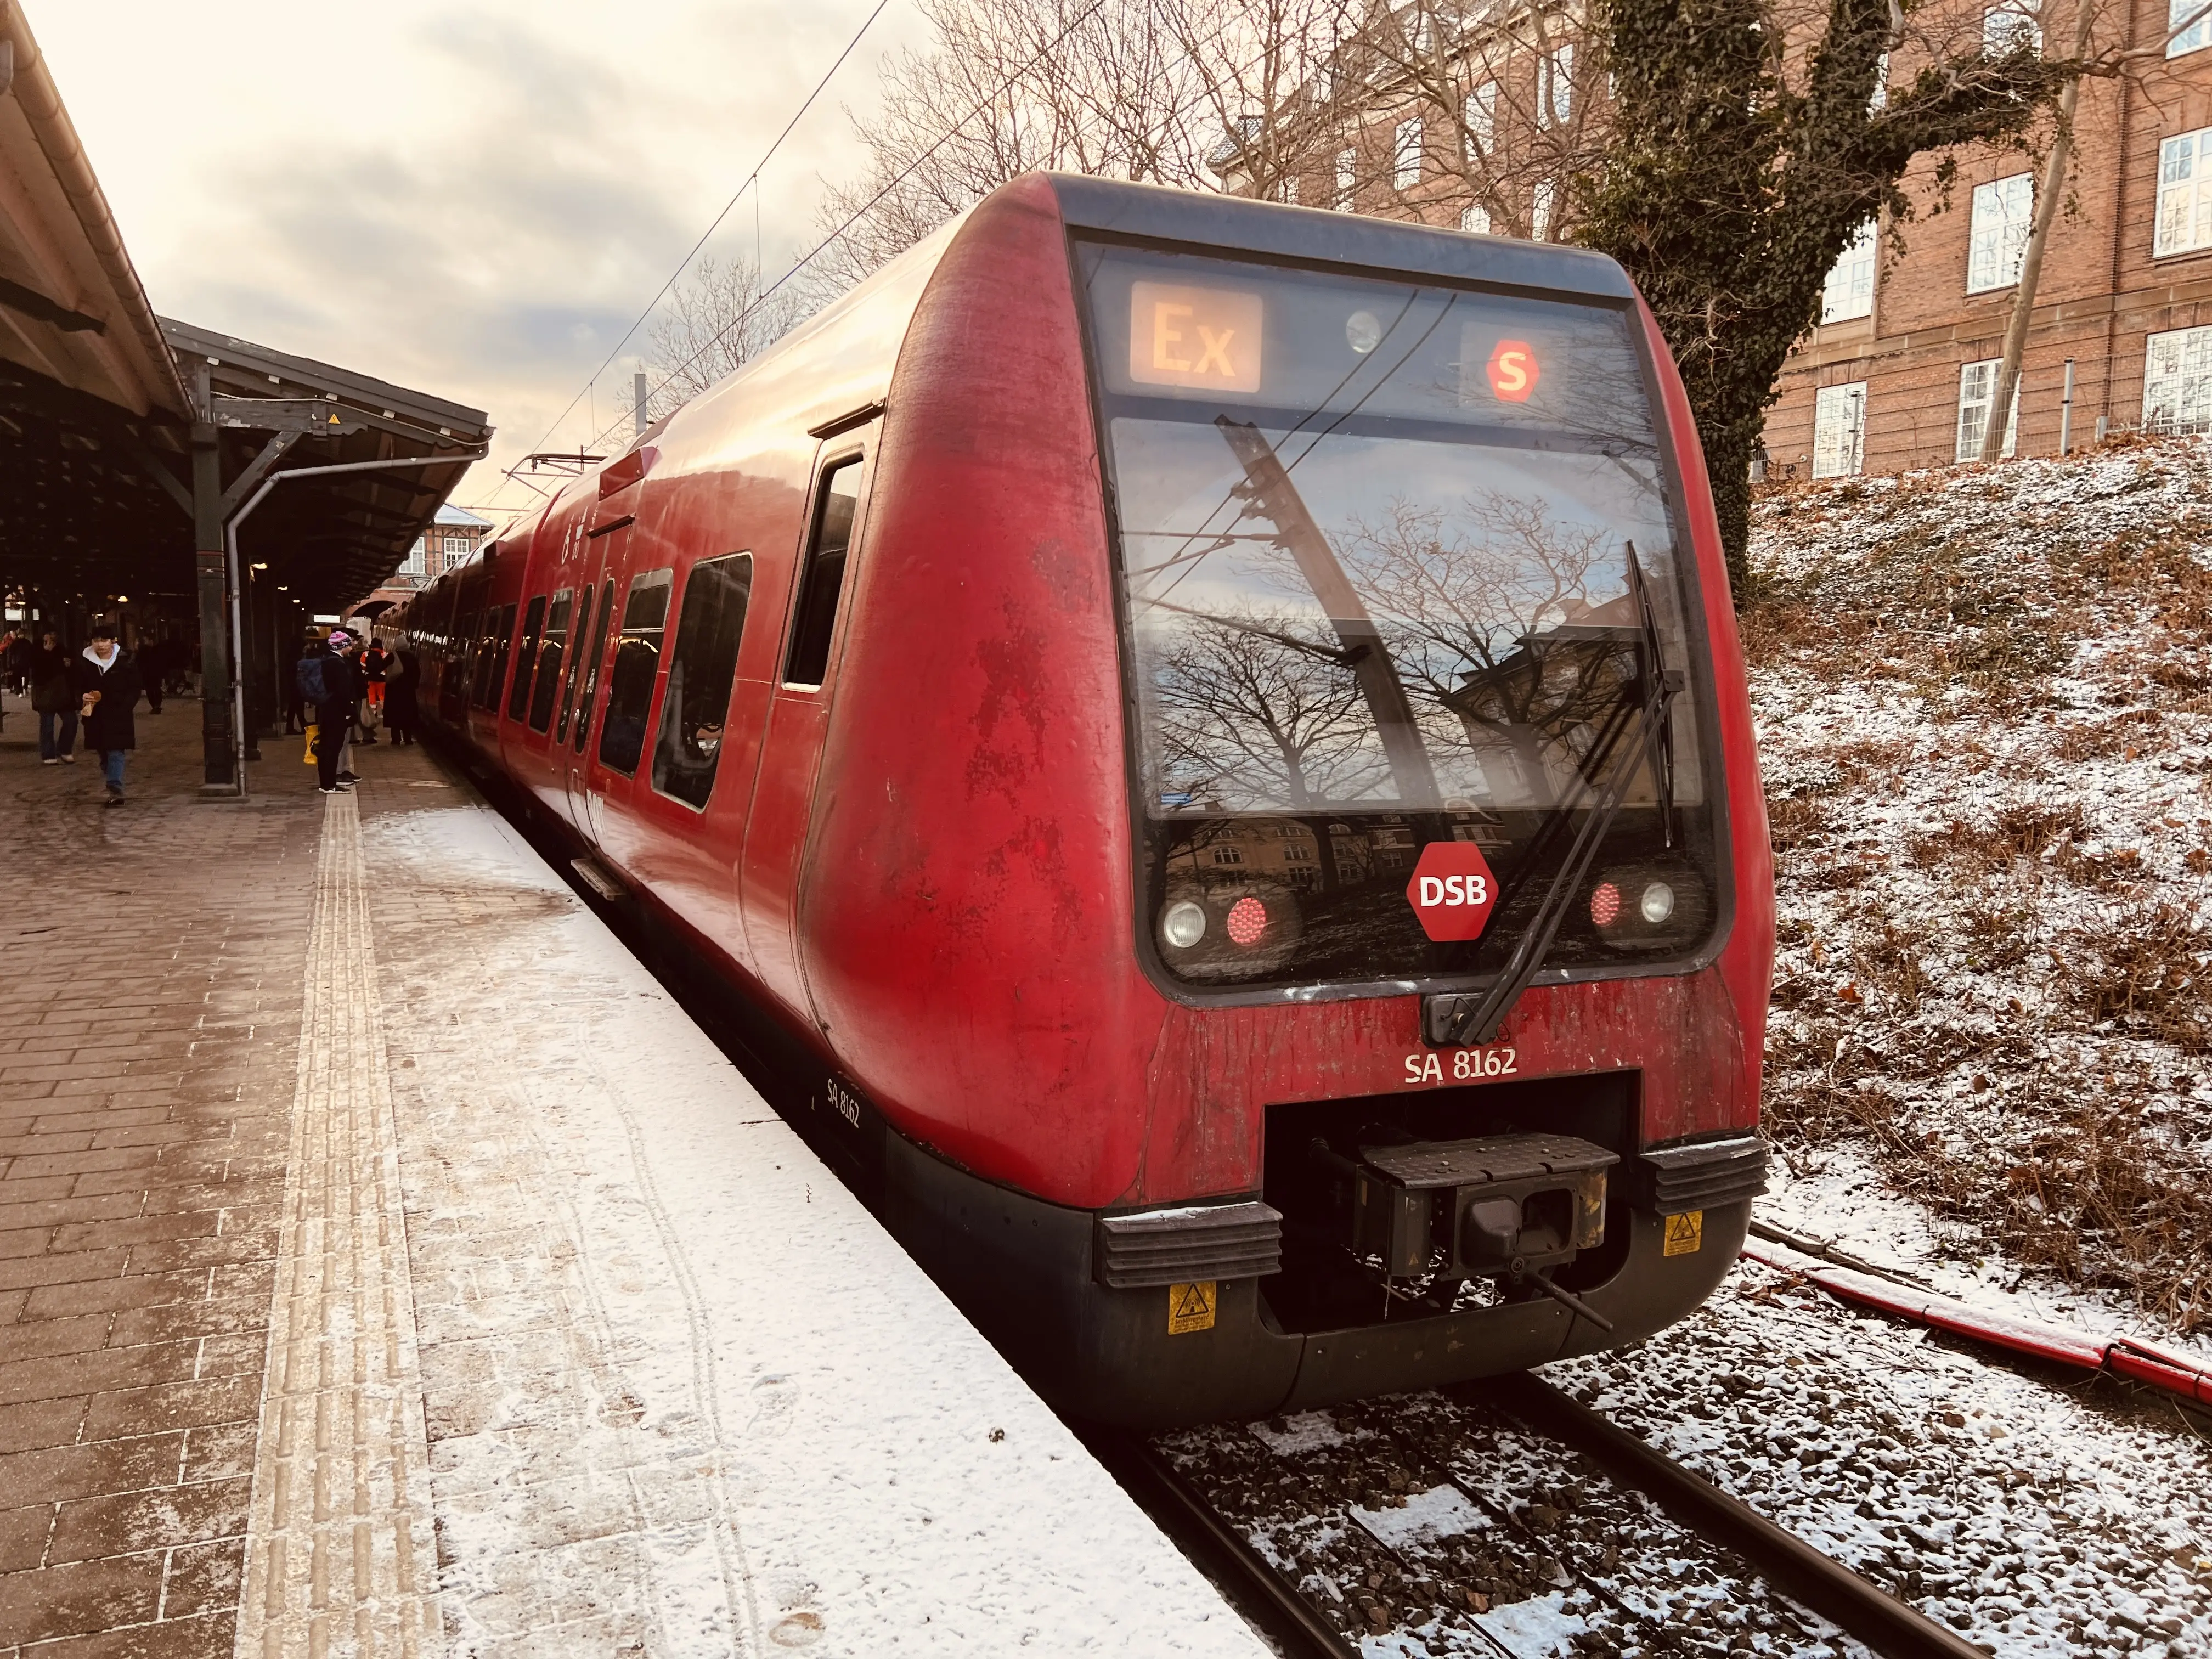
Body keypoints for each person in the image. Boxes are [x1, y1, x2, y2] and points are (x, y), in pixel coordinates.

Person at [71, 621, 141, 806]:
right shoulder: (85, 663)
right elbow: (76, 686)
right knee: (103, 753)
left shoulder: (125, 661)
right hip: (95, 714)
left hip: (119, 713)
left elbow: (135, 687)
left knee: (116, 751)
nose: (100, 644)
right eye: (97, 640)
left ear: (113, 642)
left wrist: (126, 705)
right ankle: (113, 782)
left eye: (104, 640)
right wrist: (82, 697)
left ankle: (114, 787)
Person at [304, 629, 364, 794]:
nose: (351, 648)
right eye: (348, 645)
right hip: (335, 712)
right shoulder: (338, 665)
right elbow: (342, 691)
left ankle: (326, 783)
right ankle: (329, 784)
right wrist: (349, 711)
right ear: (342, 647)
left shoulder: (326, 661)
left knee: (326, 747)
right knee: (332, 748)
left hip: (326, 710)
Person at [29, 629, 77, 764]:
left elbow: (69, 670)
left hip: (62, 691)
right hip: (46, 692)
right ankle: (48, 754)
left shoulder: (62, 649)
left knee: (71, 722)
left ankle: (64, 749)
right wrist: (46, 653)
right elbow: (38, 672)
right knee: (47, 724)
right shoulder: (37, 650)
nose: (50, 638)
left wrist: (68, 665)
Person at [383, 648, 421, 746]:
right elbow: (418, 673)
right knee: (407, 716)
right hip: (408, 692)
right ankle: (408, 739)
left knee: (395, 715)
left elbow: (382, 667)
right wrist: (414, 685)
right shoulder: (412, 657)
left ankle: (396, 739)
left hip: (394, 692)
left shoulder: (392, 656)